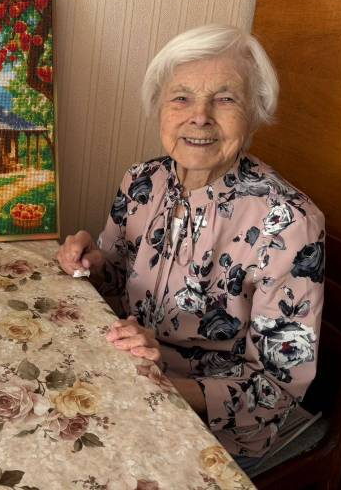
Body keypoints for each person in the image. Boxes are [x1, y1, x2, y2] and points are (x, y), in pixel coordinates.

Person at [56, 24, 325, 466]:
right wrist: (91, 263)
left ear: (255, 112)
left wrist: (158, 385)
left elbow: (278, 386)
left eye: (225, 99)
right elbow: (118, 281)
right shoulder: (142, 180)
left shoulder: (290, 224)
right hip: (127, 371)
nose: (199, 116)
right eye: (181, 98)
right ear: (159, 107)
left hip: (212, 419)